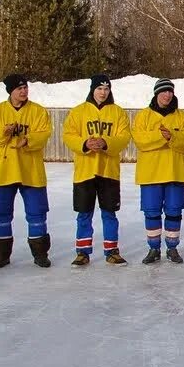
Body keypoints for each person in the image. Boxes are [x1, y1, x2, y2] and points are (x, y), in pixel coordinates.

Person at [0, 74, 53, 268]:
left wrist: (28, 140)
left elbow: (44, 133)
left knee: (37, 213)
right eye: (19, 89)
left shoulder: (38, 111)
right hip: (4, 171)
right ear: (10, 91)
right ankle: (2, 254)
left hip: (30, 169)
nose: (23, 91)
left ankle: (40, 254)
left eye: (25, 88)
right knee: (0, 213)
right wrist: (3, 132)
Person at [62, 74, 132, 265]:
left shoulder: (117, 113)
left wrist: (106, 142)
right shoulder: (79, 112)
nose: (103, 92)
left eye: (106, 89)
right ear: (92, 90)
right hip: (85, 171)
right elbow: (68, 135)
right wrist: (84, 143)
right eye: (99, 89)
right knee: (84, 213)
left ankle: (112, 250)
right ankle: (83, 252)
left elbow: (124, 136)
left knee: (109, 212)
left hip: (108, 171)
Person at [132, 78, 184, 264]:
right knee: (151, 212)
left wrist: (172, 136)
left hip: (175, 172)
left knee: (174, 211)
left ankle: (172, 247)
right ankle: (154, 248)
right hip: (150, 173)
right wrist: (161, 136)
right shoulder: (144, 116)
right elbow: (140, 140)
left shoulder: (181, 117)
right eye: (163, 91)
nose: (167, 95)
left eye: (170, 91)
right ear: (156, 93)